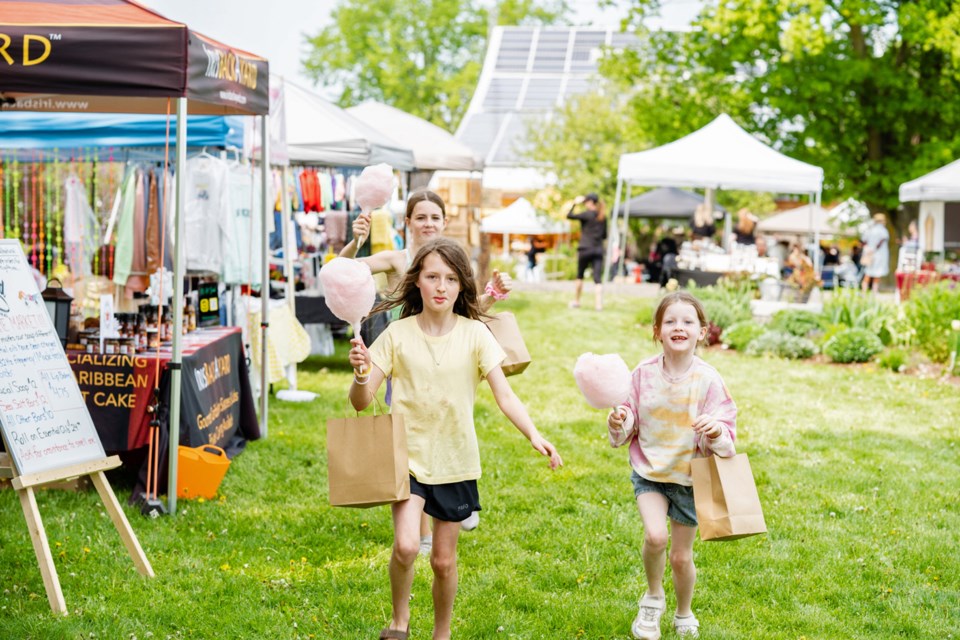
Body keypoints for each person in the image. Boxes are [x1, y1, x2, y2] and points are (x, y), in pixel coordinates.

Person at [347, 238, 563, 640]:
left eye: (449, 278)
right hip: (405, 458)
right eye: (431, 277)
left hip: (455, 461)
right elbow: (361, 403)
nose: (441, 286)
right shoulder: (397, 334)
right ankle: (399, 620)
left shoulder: (476, 334)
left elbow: (505, 394)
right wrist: (361, 374)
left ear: (462, 285)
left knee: (444, 562)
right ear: (418, 283)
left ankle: (441, 634)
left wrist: (534, 433)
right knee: (407, 547)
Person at [342, 189, 512, 548]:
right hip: (400, 356)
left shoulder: (451, 260)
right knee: (408, 435)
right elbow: (342, 272)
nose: (428, 223)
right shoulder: (395, 258)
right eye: (420, 216)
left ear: (444, 222)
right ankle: (419, 532)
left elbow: (461, 309)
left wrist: (492, 294)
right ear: (408, 222)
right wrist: (355, 242)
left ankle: (452, 491)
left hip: (444, 356)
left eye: (435, 217)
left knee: (437, 426)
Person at [607, 291, 737, 640]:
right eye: (670, 321)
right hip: (650, 470)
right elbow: (628, 416)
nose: (679, 327)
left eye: (687, 321)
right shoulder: (642, 374)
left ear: (702, 332)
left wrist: (716, 432)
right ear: (657, 331)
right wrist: (620, 420)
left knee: (681, 558)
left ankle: (683, 612)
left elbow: (727, 434)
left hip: (689, 479)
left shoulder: (709, 379)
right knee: (655, 535)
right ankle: (652, 598)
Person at [566, 193, 607, 310]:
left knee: (580, 276)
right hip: (598, 249)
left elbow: (569, 215)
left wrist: (574, 203)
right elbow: (604, 235)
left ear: (590, 202)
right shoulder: (602, 216)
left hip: (585, 249)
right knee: (597, 279)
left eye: (585, 202)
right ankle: (598, 305)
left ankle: (576, 301)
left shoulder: (586, 215)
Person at [860, 212, 890, 293]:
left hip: (870, 253)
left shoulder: (870, 230)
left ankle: (864, 291)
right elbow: (880, 242)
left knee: (868, 273)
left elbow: (863, 241)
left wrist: (867, 248)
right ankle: (874, 292)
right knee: (876, 275)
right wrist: (873, 249)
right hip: (878, 255)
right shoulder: (883, 231)